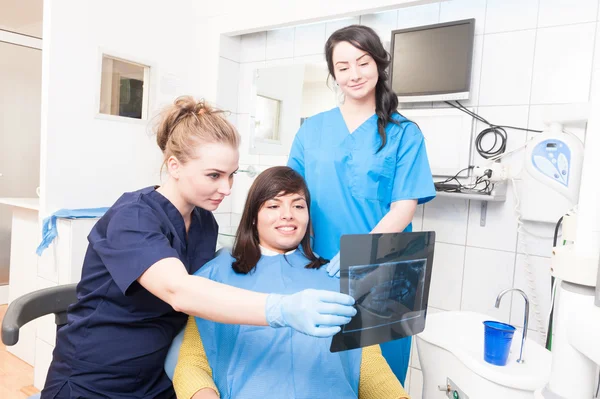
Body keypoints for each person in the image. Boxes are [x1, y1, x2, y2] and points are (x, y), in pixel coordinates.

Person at [41, 97, 356, 399]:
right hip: (96, 379)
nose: (227, 188)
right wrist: (282, 309)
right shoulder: (133, 218)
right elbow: (179, 291)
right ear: (175, 166)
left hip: (157, 379)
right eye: (214, 175)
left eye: (232, 175)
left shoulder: (204, 221)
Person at [172, 166, 410, 399]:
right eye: (273, 206)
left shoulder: (337, 278)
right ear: (253, 217)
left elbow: (367, 366)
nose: (288, 214)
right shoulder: (219, 273)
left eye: (298, 205)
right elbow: (193, 361)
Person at [287, 25, 436, 384]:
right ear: (333, 74)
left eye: (362, 62)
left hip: (384, 267)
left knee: (380, 374)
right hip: (320, 261)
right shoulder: (312, 130)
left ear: (379, 64)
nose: (354, 74)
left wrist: (361, 255)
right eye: (342, 67)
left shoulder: (404, 132)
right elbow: (290, 196)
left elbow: (403, 208)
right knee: (323, 368)